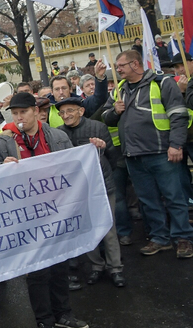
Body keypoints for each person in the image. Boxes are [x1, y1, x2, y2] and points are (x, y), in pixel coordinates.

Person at [0, 92, 87, 328]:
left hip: (56, 210)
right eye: (15, 113)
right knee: (38, 271)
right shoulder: (5, 141)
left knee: (59, 266)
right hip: (26, 216)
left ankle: (63, 314)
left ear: (35, 111)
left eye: (23, 112)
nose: (19, 117)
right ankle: (44, 320)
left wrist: (96, 150)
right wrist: (1, 167)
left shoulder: (57, 136)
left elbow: (75, 166)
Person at [102, 50, 193, 259]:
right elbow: (106, 117)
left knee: (174, 197)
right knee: (148, 200)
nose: (118, 70)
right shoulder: (119, 89)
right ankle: (160, 238)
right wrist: (114, 111)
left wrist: (176, 145)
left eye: (121, 66)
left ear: (135, 64)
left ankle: (183, 238)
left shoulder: (162, 83)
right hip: (133, 155)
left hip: (162, 152)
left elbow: (178, 115)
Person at [55, 97, 126, 288]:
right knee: (88, 229)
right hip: (78, 191)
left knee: (108, 229)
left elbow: (113, 158)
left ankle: (116, 268)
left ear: (81, 111)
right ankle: (97, 266)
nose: (66, 115)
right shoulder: (59, 134)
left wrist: (102, 148)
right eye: (62, 113)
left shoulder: (98, 127)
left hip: (102, 185)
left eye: (70, 111)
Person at [46, 61, 108, 127]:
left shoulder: (81, 103)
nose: (61, 92)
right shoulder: (47, 109)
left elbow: (99, 98)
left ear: (70, 89)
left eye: (64, 88)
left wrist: (99, 78)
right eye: (57, 89)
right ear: (52, 92)